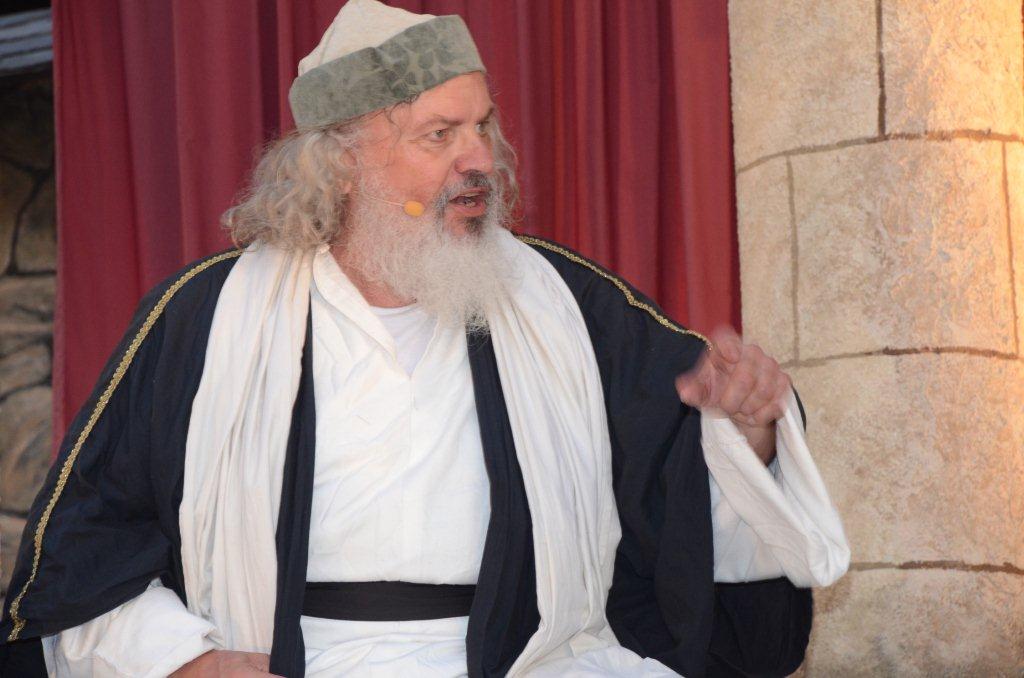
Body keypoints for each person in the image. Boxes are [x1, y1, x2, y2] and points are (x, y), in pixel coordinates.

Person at [0, 1, 849, 676]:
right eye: (439, 135)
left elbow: (682, 471)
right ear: (339, 164)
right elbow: (85, 553)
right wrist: (189, 662)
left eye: (482, 127)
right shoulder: (203, 319)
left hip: (535, 662)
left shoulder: (567, 304)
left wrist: (747, 430)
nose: (479, 159)